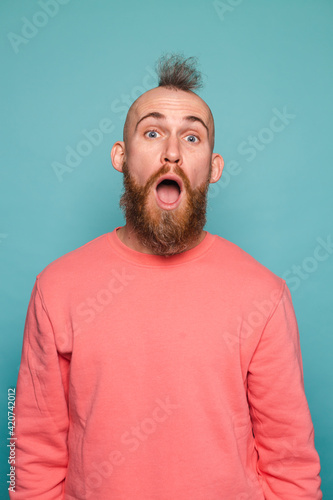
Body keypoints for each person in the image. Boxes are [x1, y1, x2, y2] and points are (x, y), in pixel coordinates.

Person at [11, 54, 322, 499]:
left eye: (191, 137)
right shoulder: (56, 289)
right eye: (152, 133)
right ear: (121, 156)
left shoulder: (264, 295)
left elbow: (290, 463)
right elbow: (33, 454)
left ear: (212, 167)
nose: (172, 152)